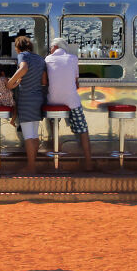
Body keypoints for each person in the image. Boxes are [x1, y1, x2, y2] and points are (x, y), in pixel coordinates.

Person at [44, 37, 93, 171]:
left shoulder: (47, 59)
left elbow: (45, 81)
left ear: (55, 47)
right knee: (83, 129)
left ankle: (56, 156)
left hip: (53, 101)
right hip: (72, 100)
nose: (49, 50)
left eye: (51, 47)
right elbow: (76, 83)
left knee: (53, 123)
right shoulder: (73, 58)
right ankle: (88, 162)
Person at [7, 35, 46, 173]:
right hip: (38, 98)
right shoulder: (40, 59)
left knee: (28, 136)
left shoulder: (23, 56)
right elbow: (44, 81)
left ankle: (31, 167)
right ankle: (33, 165)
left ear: (18, 47)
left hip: (26, 99)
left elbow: (23, 68)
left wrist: (11, 82)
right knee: (34, 135)